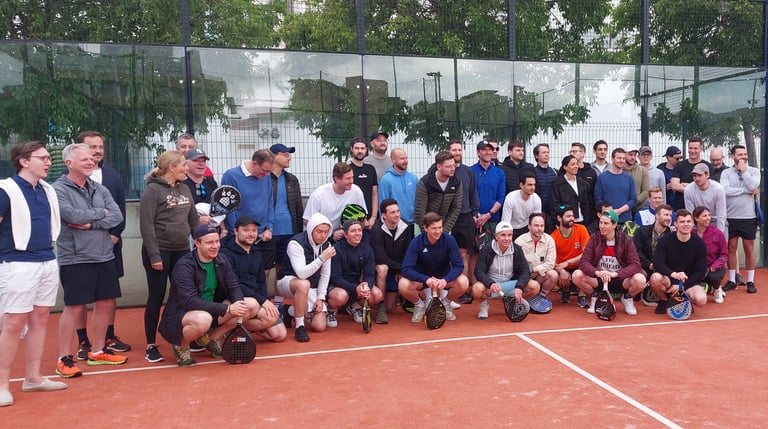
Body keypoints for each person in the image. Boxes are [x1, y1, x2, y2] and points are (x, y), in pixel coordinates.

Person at [0, 141, 67, 407]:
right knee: (14, 323)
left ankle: (34, 378)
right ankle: (2, 385)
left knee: (40, 319)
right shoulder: (6, 190)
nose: (49, 162)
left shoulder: (47, 190)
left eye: (49, 157)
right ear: (24, 161)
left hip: (47, 260)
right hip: (16, 263)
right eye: (43, 158)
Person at [54, 143, 127, 378]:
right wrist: (101, 214)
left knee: (105, 302)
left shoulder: (98, 188)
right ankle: (64, 358)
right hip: (75, 258)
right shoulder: (58, 190)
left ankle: (97, 351)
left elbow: (116, 215)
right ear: (69, 163)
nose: (90, 161)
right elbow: (71, 216)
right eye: (84, 159)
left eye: (91, 159)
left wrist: (92, 222)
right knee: (74, 307)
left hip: (104, 254)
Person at [158, 225, 262, 366]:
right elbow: (189, 301)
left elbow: (233, 286)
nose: (215, 246)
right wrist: (228, 310)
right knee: (203, 319)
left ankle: (210, 338)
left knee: (250, 305)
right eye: (209, 243)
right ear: (197, 243)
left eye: (217, 241)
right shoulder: (184, 266)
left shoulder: (222, 260)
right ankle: (181, 346)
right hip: (181, 315)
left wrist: (238, 304)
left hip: (213, 310)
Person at [73, 131, 130, 359]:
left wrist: (114, 235)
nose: (97, 151)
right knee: (79, 295)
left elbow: (120, 212)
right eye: (92, 147)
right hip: (80, 247)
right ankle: (83, 341)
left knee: (108, 292)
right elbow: (73, 215)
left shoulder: (113, 176)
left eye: (100, 147)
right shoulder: (69, 181)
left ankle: (108, 336)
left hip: (110, 245)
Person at [140, 150, 199, 363]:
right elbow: (146, 226)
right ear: (172, 167)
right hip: (159, 252)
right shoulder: (152, 191)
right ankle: (150, 345)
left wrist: (200, 245)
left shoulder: (185, 188)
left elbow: (193, 221)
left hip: (182, 251)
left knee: (183, 296)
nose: (187, 168)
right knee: (156, 296)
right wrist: (155, 256)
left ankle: (182, 339)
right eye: (183, 164)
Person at [218, 216, 286, 342]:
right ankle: (218, 332)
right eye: (246, 230)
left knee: (279, 334)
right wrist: (262, 301)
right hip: (232, 299)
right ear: (236, 231)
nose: (251, 234)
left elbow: (261, 281)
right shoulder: (225, 254)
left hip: (254, 299)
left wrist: (265, 300)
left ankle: (234, 328)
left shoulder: (257, 252)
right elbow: (234, 285)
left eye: (254, 230)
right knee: (257, 308)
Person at [399, 212, 470, 323]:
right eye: (434, 228)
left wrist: (445, 280)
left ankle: (446, 304)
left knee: (464, 282)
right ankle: (419, 306)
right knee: (403, 284)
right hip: (422, 280)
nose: (438, 231)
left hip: (443, 278)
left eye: (440, 227)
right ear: (425, 228)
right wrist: (426, 279)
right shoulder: (416, 242)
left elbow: (459, 266)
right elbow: (406, 269)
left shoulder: (449, 240)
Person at [572, 210, 645, 315]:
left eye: (606, 223)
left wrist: (616, 274)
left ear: (614, 225)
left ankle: (627, 298)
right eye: (600, 222)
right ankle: (595, 297)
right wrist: (597, 272)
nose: (602, 226)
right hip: (599, 279)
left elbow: (635, 265)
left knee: (640, 279)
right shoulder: (594, 238)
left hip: (620, 279)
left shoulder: (626, 240)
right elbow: (584, 262)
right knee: (576, 275)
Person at [276, 213, 335, 342]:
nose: (323, 235)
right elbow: (301, 274)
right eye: (319, 231)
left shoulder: (327, 246)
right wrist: (322, 258)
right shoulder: (295, 243)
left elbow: (325, 275)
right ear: (311, 229)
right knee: (303, 284)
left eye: (326, 232)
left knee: (319, 326)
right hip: (288, 281)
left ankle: (289, 311)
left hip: (311, 286)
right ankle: (299, 326)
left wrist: (320, 298)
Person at [221, 149, 276, 269]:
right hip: (240, 235)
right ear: (254, 163)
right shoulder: (231, 176)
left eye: (269, 171)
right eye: (264, 170)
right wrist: (235, 232)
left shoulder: (266, 177)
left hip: (263, 234)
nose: (267, 174)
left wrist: (269, 228)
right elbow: (228, 208)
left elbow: (269, 201)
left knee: (264, 272)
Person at [471, 222, 536, 320]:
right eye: (503, 235)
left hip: (510, 285)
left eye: (509, 235)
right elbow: (479, 271)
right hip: (491, 287)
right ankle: (484, 305)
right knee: (476, 289)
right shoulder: (487, 249)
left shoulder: (517, 249)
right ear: (496, 236)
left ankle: (513, 302)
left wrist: (519, 287)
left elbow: (525, 270)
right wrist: (490, 283)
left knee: (534, 286)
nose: (507, 238)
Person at [650, 209, 709, 314]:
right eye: (682, 222)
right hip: (669, 278)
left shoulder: (699, 243)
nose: (686, 224)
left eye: (688, 221)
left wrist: (682, 287)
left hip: (689, 281)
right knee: (655, 278)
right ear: (676, 224)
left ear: (692, 223)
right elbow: (657, 263)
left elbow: (701, 270)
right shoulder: (665, 240)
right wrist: (674, 274)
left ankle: (685, 300)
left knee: (701, 300)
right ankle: (664, 300)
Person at [719, 145, 760, 293]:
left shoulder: (754, 171)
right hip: (731, 216)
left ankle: (750, 281)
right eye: (740, 154)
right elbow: (724, 190)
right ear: (732, 156)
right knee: (731, 248)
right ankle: (731, 280)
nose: (743, 157)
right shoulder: (726, 172)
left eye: (745, 154)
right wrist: (745, 191)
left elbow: (754, 185)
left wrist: (744, 171)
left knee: (749, 249)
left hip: (748, 217)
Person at [269, 143, 304, 311]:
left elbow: (298, 207)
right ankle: (266, 304)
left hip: (290, 231)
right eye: (285, 154)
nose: (289, 157)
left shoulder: (292, 179)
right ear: (274, 156)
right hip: (269, 233)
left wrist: (298, 233)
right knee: (266, 269)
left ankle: (279, 304)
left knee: (283, 269)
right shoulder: (264, 178)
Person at [328, 220, 381, 326]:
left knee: (377, 294)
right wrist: (355, 288)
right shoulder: (336, 250)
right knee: (340, 296)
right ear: (346, 235)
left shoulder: (367, 249)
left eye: (359, 230)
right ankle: (331, 311)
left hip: (356, 286)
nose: (357, 233)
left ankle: (354, 307)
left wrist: (366, 286)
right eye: (353, 231)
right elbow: (336, 278)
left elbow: (369, 274)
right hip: (337, 287)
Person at [370, 199, 415, 323]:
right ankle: (380, 307)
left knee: (392, 309)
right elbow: (380, 258)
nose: (397, 215)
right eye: (392, 212)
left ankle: (403, 296)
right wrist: (400, 267)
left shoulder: (405, 227)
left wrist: (402, 270)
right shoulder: (376, 230)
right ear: (384, 215)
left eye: (398, 211)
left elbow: (408, 253)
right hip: (381, 271)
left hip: (397, 268)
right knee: (382, 268)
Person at [447, 140, 480, 304]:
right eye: (454, 149)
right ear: (448, 151)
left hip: (465, 217)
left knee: (463, 255)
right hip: (446, 218)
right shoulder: (438, 169)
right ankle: (448, 289)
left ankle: (464, 290)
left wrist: (475, 213)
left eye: (459, 149)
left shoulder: (467, 172)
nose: (457, 152)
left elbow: (474, 193)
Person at [303, 162, 367, 243]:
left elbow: (362, 217)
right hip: (321, 238)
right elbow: (307, 220)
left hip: (344, 236)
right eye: (347, 179)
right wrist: (330, 233)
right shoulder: (318, 194)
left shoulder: (356, 191)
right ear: (336, 179)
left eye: (352, 177)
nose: (351, 181)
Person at [414, 151, 462, 234]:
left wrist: (444, 231)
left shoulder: (456, 183)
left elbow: (456, 208)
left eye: (453, 165)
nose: (453, 169)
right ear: (439, 166)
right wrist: (427, 231)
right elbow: (419, 210)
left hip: (443, 226)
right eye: (448, 166)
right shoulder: (425, 183)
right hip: (424, 227)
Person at [551, 206, 591, 307]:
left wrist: (568, 262)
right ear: (559, 218)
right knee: (555, 273)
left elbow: (586, 253)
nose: (572, 218)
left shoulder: (581, 229)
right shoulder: (553, 237)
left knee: (587, 263)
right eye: (568, 216)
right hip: (563, 268)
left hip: (579, 266)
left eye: (572, 216)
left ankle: (582, 296)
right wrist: (561, 271)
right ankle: (565, 291)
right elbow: (551, 261)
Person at [514, 213, 558, 302]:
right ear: (529, 226)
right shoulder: (519, 241)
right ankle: (526, 297)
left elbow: (550, 263)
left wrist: (534, 269)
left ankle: (541, 297)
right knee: (531, 286)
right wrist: (528, 272)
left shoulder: (549, 240)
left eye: (542, 226)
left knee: (553, 275)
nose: (539, 229)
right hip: (524, 276)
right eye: (536, 225)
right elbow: (516, 265)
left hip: (539, 274)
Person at [692, 207, 728, 304]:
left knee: (713, 277)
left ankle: (717, 289)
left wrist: (713, 267)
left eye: (709, 215)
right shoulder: (690, 234)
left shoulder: (717, 233)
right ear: (696, 218)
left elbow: (724, 255)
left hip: (713, 268)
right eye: (704, 216)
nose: (708, 218)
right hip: (696, 268)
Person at [594, 148, 637, 224]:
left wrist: (620, 211)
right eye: (619, 158)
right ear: (612, 158)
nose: (621, 160)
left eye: (623, 158)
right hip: (608, 221)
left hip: (625, 221)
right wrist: (610, 212)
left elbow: (633, 199)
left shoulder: (629, 178)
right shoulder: (602, 177)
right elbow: (598, 199)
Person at [669, 137, 713, 211]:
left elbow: (708, 188)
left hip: (701, 210)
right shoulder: (679, 165)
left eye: (695, 148)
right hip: (681, 209)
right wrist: (697, 187)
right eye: (690, 148)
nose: (692, 151)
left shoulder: (708, 166)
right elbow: (674, 185)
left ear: (701, 149)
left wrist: (685, 185)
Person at [684, 163, 727, 235]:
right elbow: (690, 213)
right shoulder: (688, 190)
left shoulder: (718, 189)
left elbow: (721, 214)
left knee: (723, 242)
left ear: (707, 175)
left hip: (715, 220)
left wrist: (720, 234)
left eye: (700, 175)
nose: (697, 178)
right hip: (697, 221)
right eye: (694, 176)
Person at [378, 148, 419, 224]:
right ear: (393, 160)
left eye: (406, 158)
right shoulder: (386, 180)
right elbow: (383, 204)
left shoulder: (414, 178)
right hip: (396, 224)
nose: (405, 161)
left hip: (414, 222)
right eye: (402, 159)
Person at [633, 204, 673, 280]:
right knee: (637, 278)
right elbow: (636, 251)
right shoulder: (642, 231)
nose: (669, 218)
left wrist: (660, 266)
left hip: (664, 270)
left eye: (670, 215)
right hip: (644, 267)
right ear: (657, 216)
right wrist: (649, 265)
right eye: (666, 215)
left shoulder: (672, 236)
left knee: (656, 278)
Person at [550, 155, 592, 226]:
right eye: (573, 164)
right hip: (566, 222)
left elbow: (587, 203)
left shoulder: (582, 183)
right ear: (565, 167)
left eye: (577, 164)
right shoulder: (557, 184)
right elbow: (555, 205)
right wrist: (563, 209)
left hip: (582, 221)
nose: (576, 166)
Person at [349, 137, 378, 234]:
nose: (360, 151)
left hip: (371, 222)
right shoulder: (347, 169)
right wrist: (361, 219)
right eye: (357, 148)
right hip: (353, 220)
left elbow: (374, 195)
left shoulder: (371, 169)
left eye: (362, 148)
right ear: (351, 149)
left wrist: (373, 218)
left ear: (366, 150)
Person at [183, 148, 219, 226]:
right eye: (196, 160)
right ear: (186, 164)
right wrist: (197, 219)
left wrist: (224, 230)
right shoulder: (181, 184)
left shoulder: (210, 181)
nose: (201, 164)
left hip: (212, 230)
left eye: (203, 161)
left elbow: (219, 207)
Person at [502, 173, 541, 239]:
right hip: (512, 227)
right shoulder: (510, 198)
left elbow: (536, 220)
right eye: (529, 185)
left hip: (527, 227)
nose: (533, 188)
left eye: (534, 185)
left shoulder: (536, 199)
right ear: (521, 185)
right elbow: (506, 222)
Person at [622, 145, 650, 211]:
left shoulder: (643, 170)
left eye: (634, 155)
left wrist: (633, 202)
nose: (633, 157)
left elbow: (646, 190)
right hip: (621, 208)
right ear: (624, 155)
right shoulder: (618, 170)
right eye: (630, 155)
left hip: (638, 209)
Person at [532, 143, 558, 216]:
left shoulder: (555, 172)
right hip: (538, 211)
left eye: (548, 152)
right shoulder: (533, 172)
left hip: (553, 211)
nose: (546, 154)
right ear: (536, 156)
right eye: (543, 152)